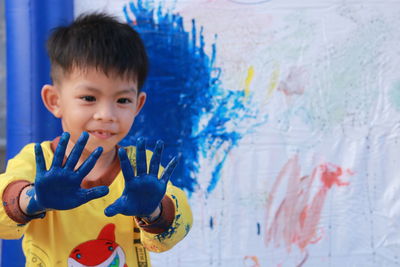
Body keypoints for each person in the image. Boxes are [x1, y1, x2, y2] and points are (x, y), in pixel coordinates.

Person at [0, 12, 192, 266]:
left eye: (122, 100)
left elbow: (175, 231)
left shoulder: (141, 169)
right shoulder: (37, 162)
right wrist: (32, 199)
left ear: (138, 104)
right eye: (89, 98)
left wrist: (154, 211)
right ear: (55, 101)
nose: (106, 115)